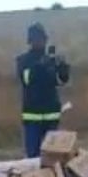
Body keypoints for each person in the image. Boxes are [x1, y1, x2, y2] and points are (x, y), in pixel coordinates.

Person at [16, 22, 70, 158]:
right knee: (33, 157)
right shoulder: (23, 60)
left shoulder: (51, 60)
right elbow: (26, 80)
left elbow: (61, 81)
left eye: (42, 39)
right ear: (31, 41)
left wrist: (63, 69)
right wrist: (40, 66)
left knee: (52, 156)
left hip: (52, 115)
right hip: (32, 116)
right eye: (37, 39)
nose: (41, 42)